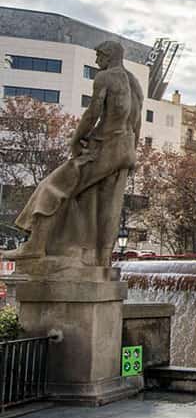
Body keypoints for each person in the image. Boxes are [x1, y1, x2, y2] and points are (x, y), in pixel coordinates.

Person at [3, 40, 142, 267]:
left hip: (105, 145)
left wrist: (76, 139)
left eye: (99, 56)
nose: (97, 61)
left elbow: (93, 112)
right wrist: (132, 152)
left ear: (108, 56)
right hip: (125, 148)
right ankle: (99, 258)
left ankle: (35, 246)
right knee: (105, 203)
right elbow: (136, 121)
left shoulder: (105, 78)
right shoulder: (134, 83)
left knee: (53, 186)